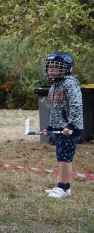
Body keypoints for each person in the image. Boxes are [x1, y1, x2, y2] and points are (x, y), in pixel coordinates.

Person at [42, 51, 83, 199]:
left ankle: (62, 187)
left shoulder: (70, 84)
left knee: (65, 158)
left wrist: (71, 125)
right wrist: (50, 127)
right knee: (61, 157)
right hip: (60, 128)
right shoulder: (54, 87)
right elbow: (55, 111)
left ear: (66, 69)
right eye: (50, 67)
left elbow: (76, 106)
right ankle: (65, 186)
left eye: (56, 67)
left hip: (70, 129)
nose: (51, 70)